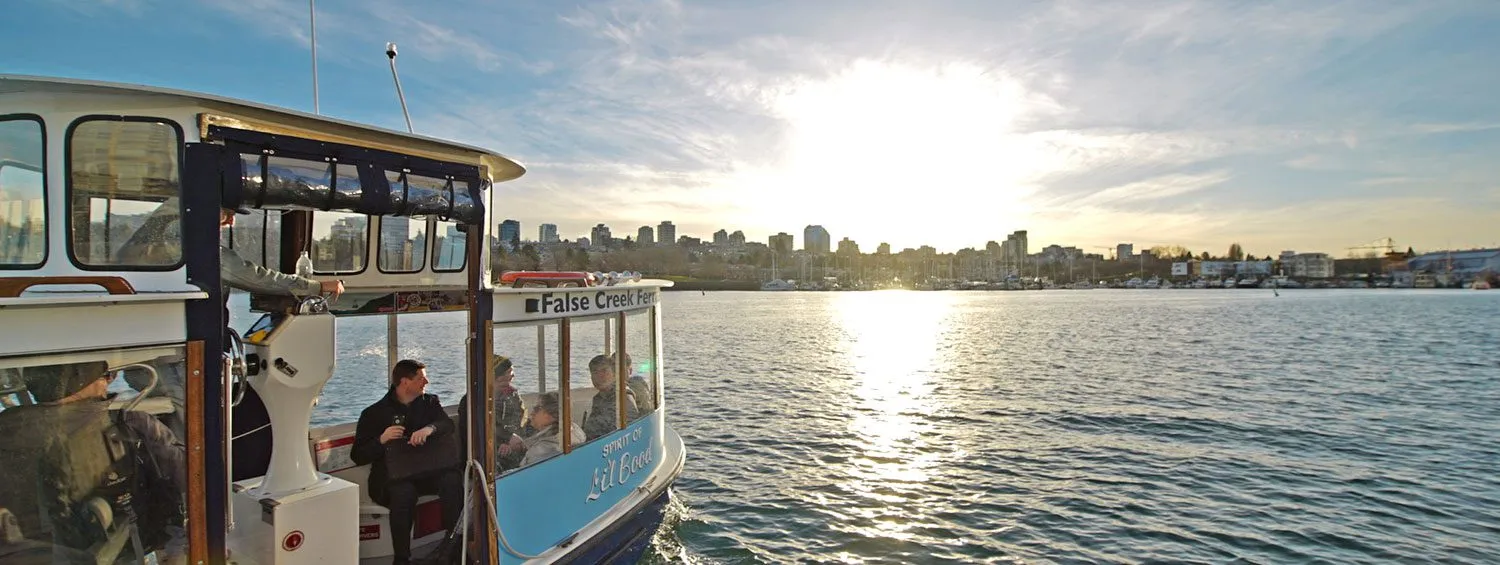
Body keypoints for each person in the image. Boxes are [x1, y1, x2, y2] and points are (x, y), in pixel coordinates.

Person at [0, 361, 186, 563]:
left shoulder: (6, 436)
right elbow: (191, 484)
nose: (111, 380)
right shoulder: (135, 427)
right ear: (82, 383)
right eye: (106, 374)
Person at [217, 205, 345, 481]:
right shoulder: (205, 251)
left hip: (214, 348)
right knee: (202, 437)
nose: (230, 221)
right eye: (226, 213)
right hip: (192, 355)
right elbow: (255, 277)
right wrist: (315, 286)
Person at [350, 360, 462, 565]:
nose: (426, 381)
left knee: (452, 480)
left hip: (426, 471)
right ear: (404, 382)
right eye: (420, 378)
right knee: (403, 494)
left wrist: (430, 429)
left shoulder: (429, 403)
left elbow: (446, 425)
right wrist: (381, 440)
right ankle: (402, 558)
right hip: (392, 477)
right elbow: (358, 456)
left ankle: (453, 545)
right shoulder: (373, 413)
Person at [457, 355, 526, 471]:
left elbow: (520, 420)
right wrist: (505, 440)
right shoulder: (471, 401)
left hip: (512, 445)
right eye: (504, 377)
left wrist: (513, 442)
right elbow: (478, 430)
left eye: (510, 374)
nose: (511, 377)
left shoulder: (512, 395)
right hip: (485, 452)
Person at [582, 355, 639, 441]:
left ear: (614, 374)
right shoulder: (598, 398)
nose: (599, 376)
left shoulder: (624, 398)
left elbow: (629, 436)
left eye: (604, 371)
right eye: (595, 372)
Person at [518, 392, 584, 468]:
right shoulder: (574, 430)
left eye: (536, 409)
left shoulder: (542, 449)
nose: (532, 413)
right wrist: (523, 445)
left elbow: (520, 473)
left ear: (550, 416)